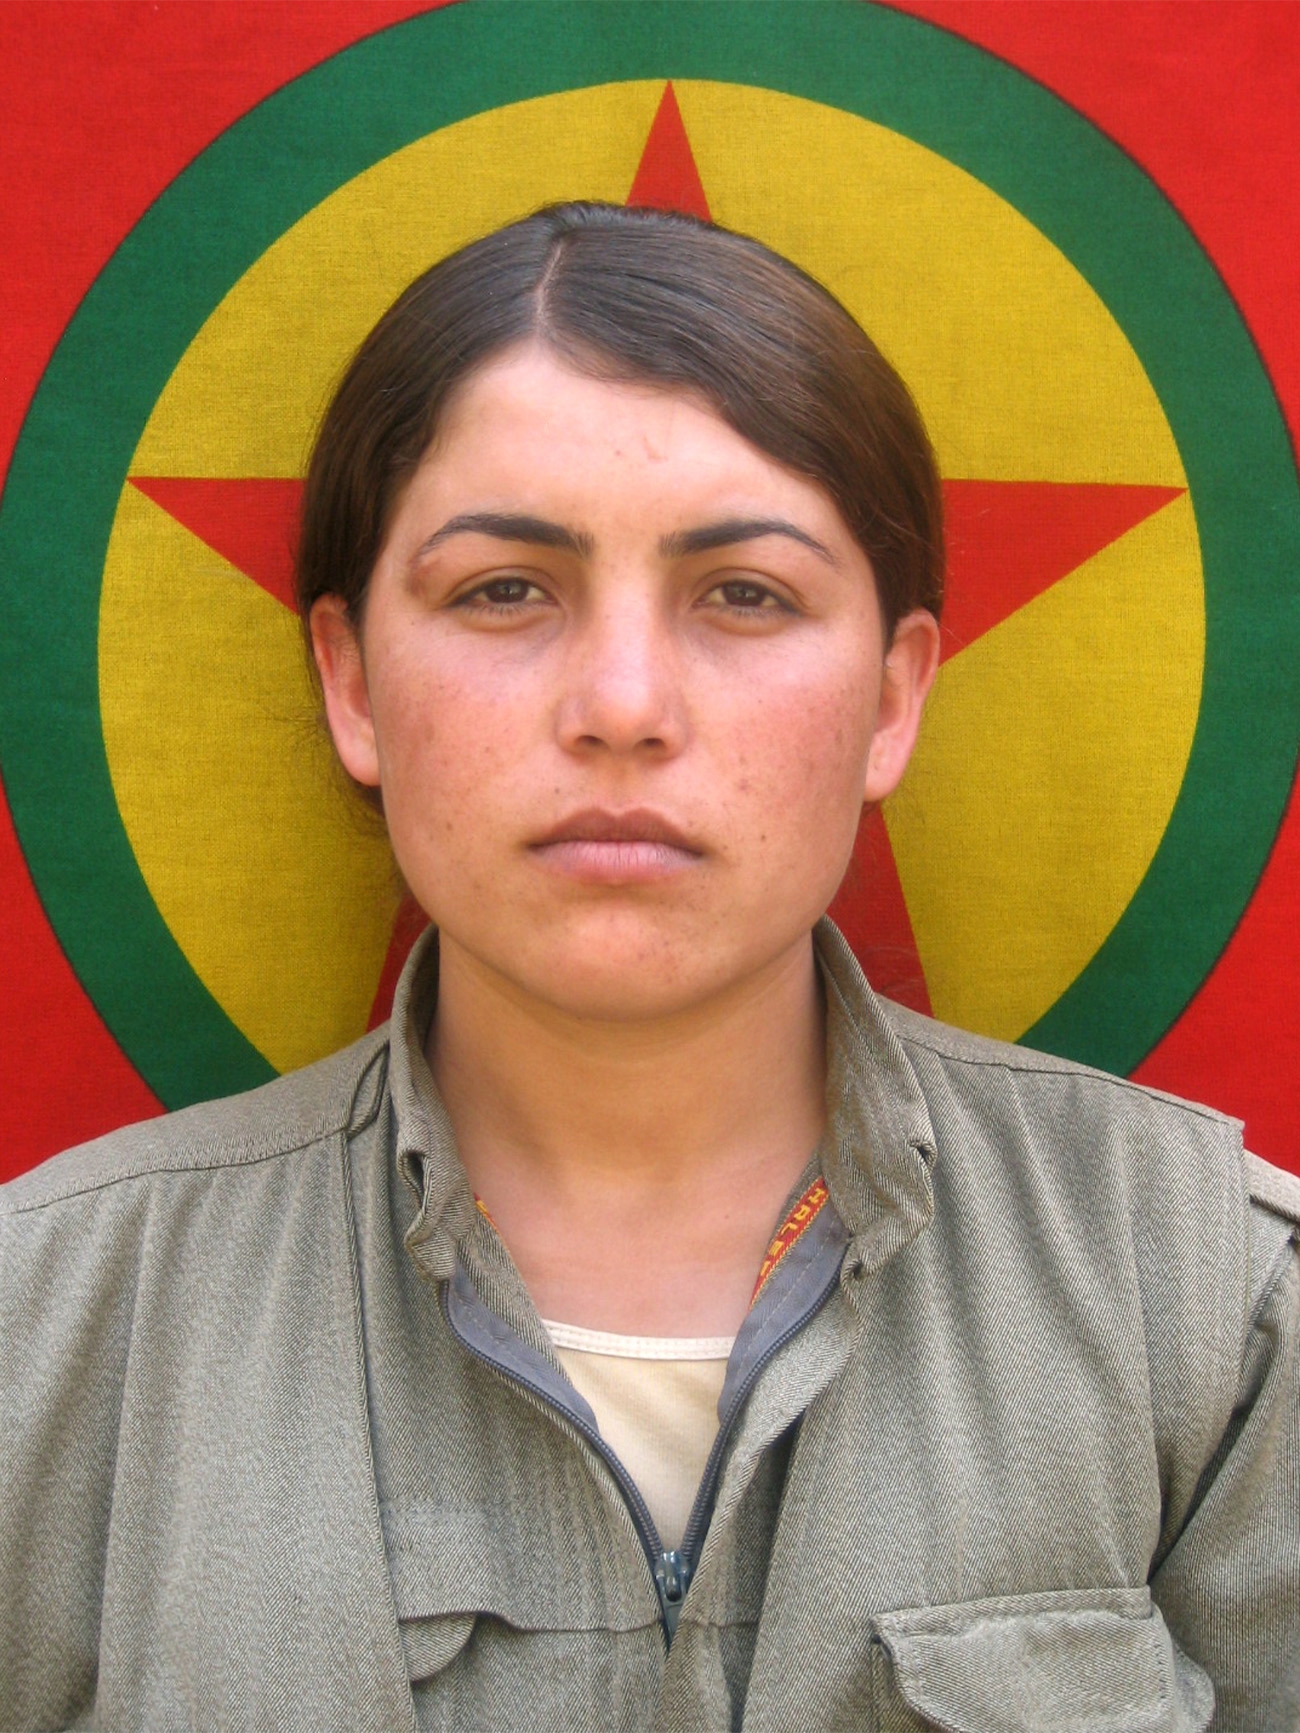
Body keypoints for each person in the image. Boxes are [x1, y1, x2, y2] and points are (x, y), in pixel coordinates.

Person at [1, 202, 1296, 1733]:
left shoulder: (1217, 1317)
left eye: (745, 593)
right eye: (504, 589)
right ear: (350, 682)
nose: (622, 703)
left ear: (893, 698)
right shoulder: (47, 1330)